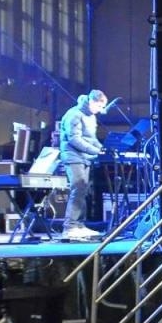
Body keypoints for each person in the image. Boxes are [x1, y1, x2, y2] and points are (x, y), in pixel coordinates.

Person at [58, 89, 108, 239]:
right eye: (99, 107)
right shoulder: (74, 114)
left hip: (84, 157)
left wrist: (103, 149)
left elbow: (91, 138)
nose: (100, 111)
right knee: (78, 187)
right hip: (73, 156)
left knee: (83, 189)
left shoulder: (91, 117)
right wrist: (94, 151)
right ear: (92, 101)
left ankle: (79, 225)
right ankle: (70, 227)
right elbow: (74, 139)